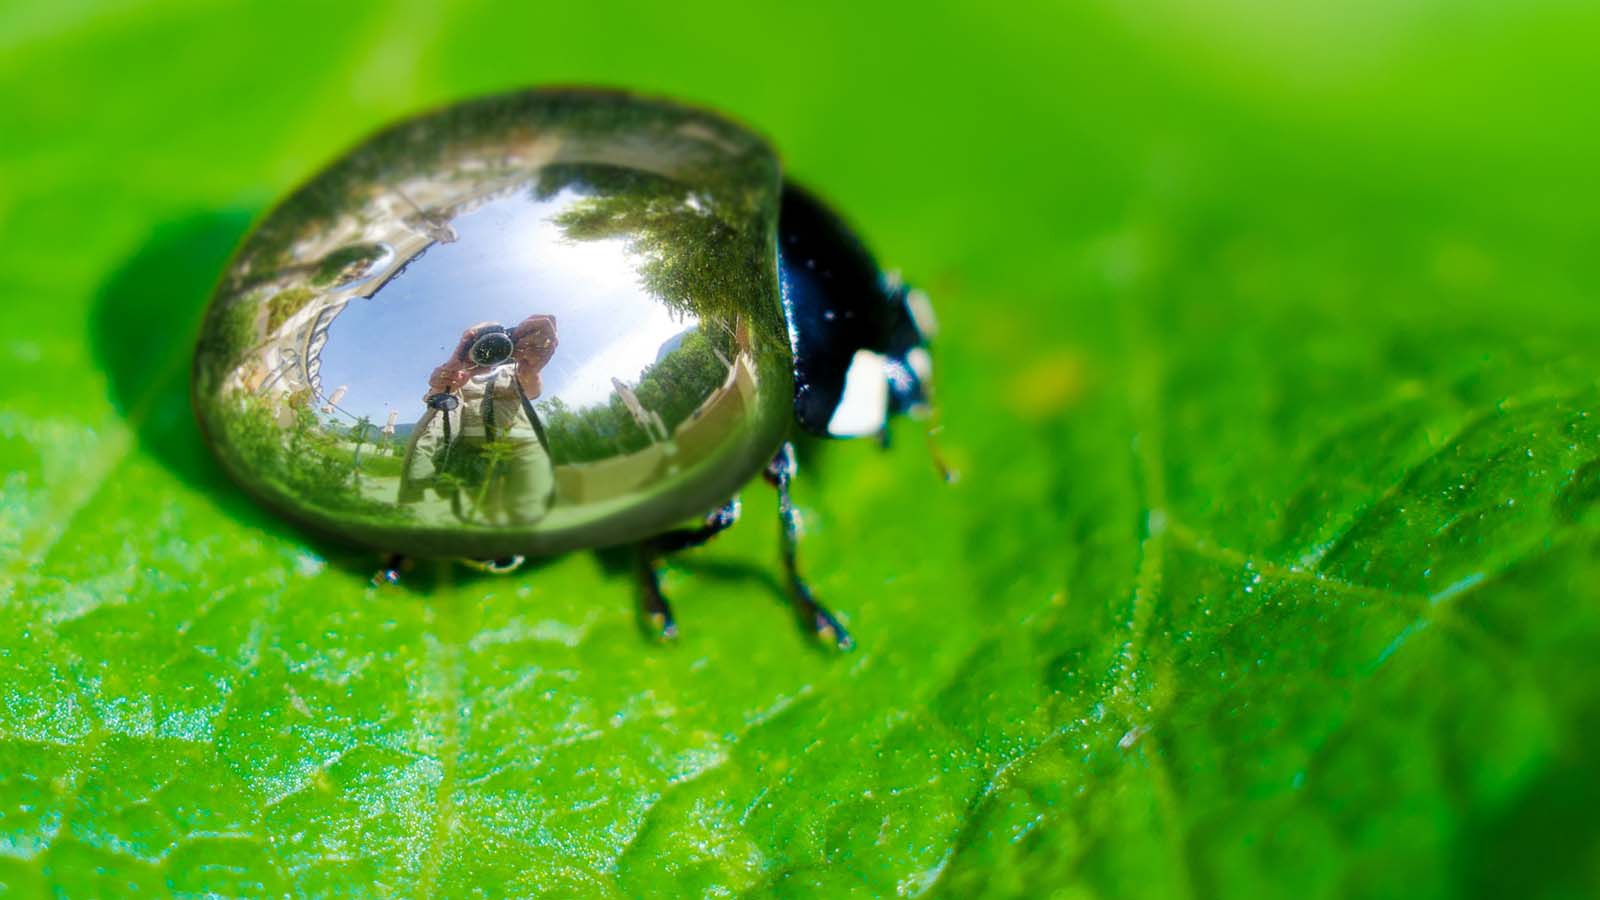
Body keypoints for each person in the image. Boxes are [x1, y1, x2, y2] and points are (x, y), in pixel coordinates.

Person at [399, 315, 559, 525]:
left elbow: (532, 390)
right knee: (485, 509)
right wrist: (446, 379)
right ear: (466, 347)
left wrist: (531, 368)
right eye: (480, 343)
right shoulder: (457, 376)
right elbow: (435, 409)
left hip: (512, 451)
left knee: (517, 514)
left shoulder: (517, 370)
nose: (489, 350)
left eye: (498, 341)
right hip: (469, 456)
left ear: (509, 341)